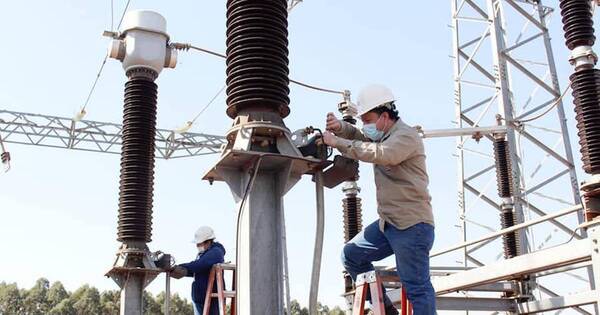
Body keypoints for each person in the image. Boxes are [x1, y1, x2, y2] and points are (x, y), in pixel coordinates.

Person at [322, 84, 436, 315]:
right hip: (389, 224)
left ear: (384, 116)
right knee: (351, 255)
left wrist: (337, 143)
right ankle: (386, 312)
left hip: (412, 226)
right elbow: (360, 136)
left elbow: (382, 154)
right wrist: (341, 128)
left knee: (417, 288)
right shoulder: (383, 134)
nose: (366, 126)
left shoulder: (405, 136)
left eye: (367, 120)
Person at [172, 226, 226, 315]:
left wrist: (180, 266)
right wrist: (181, 270)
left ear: (208, 241)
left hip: (211, 300)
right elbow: (198, 269)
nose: (197, 246)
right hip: (201, 298)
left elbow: (200, 265)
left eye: (199, 243)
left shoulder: (216, 252)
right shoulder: (204, 254)